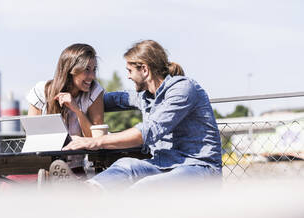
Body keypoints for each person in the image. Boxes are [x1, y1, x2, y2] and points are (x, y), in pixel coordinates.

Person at [63, 40, 222, 190]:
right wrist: (72, 95)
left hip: (199, 167)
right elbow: (108, 99)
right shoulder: (144, 96)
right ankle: (83, 192)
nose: (128, 76)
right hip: (163, 164)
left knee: (145, 186)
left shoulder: (183, 89)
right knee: (125, 165)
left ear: (144, 70)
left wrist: (95, 141)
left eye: (130, 71)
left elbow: (149, 130)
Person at [7, 43, 104, 183]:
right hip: (37, 165)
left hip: (71, 169)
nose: (92, 76)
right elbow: (32, 134)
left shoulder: (94, 92)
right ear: (71, 69)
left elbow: (96, 138)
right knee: (10, 184)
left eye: (94, 70)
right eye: (86, 70)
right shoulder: (41, 90)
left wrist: (77, 110)